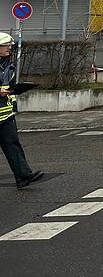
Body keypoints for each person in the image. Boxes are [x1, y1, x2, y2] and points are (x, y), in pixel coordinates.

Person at [0, 32, 44, 189]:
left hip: (6, 116)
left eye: (10, 46)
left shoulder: (8, 66)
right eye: (6, 46)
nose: (9, 49)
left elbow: (9, 87)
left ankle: (23, 176)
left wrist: (14, 94)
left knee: (13, 145)